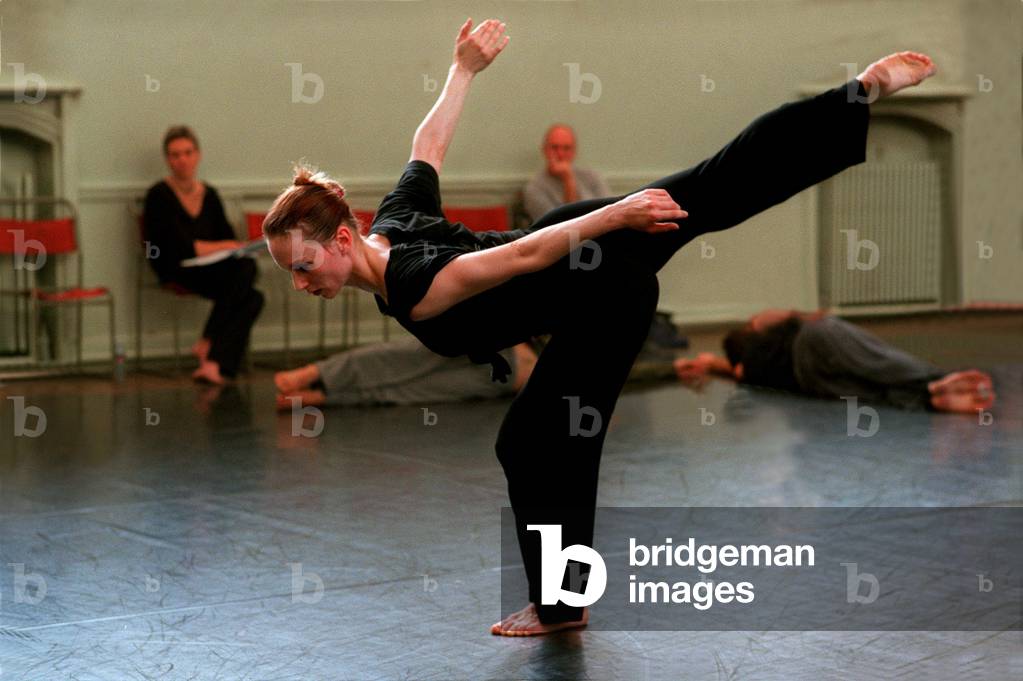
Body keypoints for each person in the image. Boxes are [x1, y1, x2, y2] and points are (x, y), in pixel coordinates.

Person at [261, 17, 937, 636]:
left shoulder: (412, 287)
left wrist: (617, 217)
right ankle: (561, 600)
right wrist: (463, 69)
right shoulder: (394, 221)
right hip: (600, 296)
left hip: (591, 259)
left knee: (712, 186)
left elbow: (523, 253)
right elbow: (427, 144)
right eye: (290, 271)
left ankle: (858, 93)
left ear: (342, 239)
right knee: (536, 443)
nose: (301, 281)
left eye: (303, 263)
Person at [673, 309, 996, 413]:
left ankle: (927, 398)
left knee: (869, 392)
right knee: (877, 362)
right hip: (813, 340)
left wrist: (714, 365)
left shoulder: (746, 369)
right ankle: (937, 379)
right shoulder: (760, 326)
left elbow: (738, 372)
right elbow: (792, 315)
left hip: (808, 380)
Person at [143, 126, 265, 384]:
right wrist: (226, 246)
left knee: (254, 296)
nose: (182, 160)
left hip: (209, 268)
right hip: (175, 268)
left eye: (187, 153)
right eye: (175, 155)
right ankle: (210, 346)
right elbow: (179, 247)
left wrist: (229, 247)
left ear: (197, 155)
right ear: (168, 159)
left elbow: (226, 235)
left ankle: (212, 364)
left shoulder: (209, 194)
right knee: (246, 278)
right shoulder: (158, 196)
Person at [273, 338, 538, 409]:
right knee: (408, 355)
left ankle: (324, 397)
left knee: (417, 391)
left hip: (513, 381)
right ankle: (315, 372)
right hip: (505, 342)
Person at [522, 124, 612, 222]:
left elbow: (609, 211)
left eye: (566, 148)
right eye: (555, 147)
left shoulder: (592, 177)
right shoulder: (535, 188)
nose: (560, 154)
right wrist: (568, 180)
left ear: (574, 151)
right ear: (545, 150)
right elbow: (561, 225)